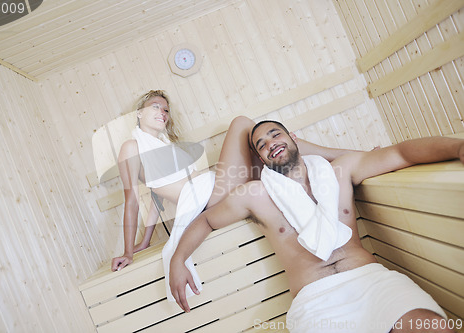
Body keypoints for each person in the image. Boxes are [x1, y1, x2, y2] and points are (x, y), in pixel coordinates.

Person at [169, 119, 464, 333]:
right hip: (316, 303)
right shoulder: (256, 195)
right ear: (260, 158)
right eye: (262, 144)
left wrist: (458, 147)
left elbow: (401, 153)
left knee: (433, 329)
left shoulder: (340, 170)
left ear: (294, 138)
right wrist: (178, 259)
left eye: (275, 135)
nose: (271, 143)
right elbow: (206, 219)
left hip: (373, 283)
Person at [111, 91, 356, 274]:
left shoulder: (164, 146)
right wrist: (128, 251)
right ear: (139, 113)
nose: (162, 113)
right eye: (156, 107)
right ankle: (343, 154)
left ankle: (339, 155)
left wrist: (145, 241)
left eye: (166, 110)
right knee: (245, 125)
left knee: (268, 141)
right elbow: (133, 199)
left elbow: (157, 196)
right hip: (210, 197)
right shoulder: (131, 147)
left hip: (213, 187)